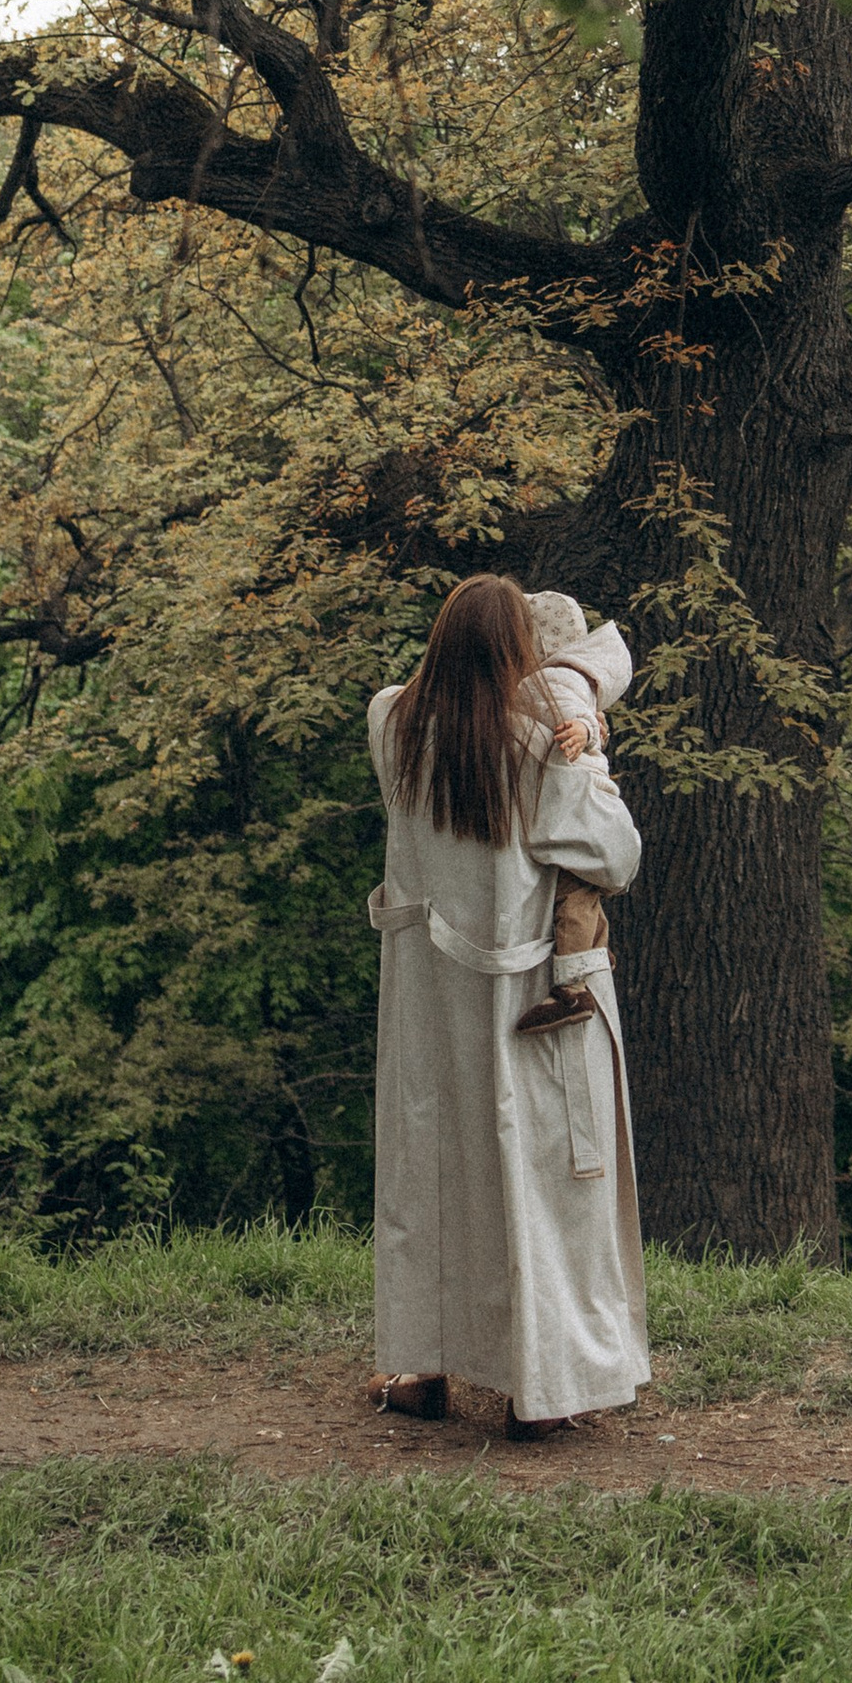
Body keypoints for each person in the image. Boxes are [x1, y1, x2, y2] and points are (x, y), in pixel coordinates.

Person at [366, 575, 649, 1437]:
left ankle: (421, 1367)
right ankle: (543, 1388)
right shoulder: (536, 743)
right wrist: (588, 749)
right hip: (526, 997)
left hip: (423, 994)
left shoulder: (391, 722)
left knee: (427, 1172)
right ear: (518, 651)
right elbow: (615, 855)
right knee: (538, 1181)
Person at [511, 589, 632, 1040]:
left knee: (573, 897)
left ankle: (572, 988)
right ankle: (594, 955)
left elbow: (576, 718)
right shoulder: (565, 678)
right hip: (593, 808)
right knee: (585, 894)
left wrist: (583, 731)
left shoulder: (555, 680)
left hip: (583, 809)